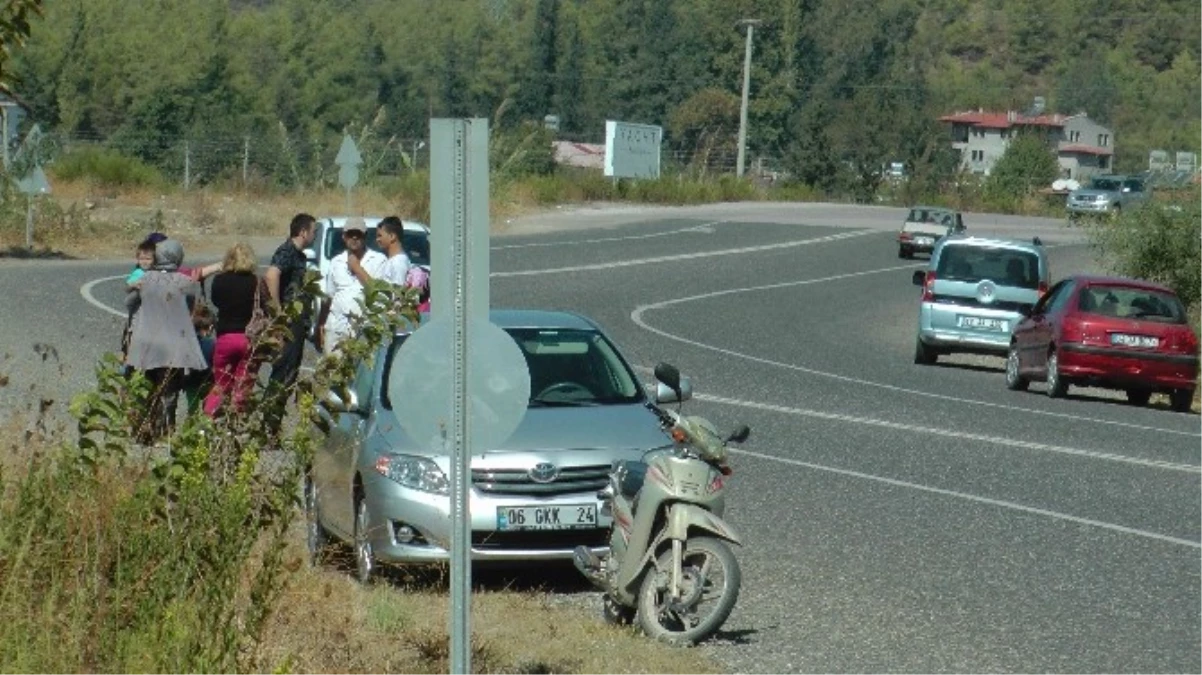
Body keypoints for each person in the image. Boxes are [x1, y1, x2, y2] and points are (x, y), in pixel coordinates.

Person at [124, 239, 209, 444]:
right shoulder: (186, 283)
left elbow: (130, 303)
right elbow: (193, 308)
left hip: (146, 342)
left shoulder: (144, 279)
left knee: (147, 385)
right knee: (170, 388)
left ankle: (145, 427)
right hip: (173, 343)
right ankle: (167, 429)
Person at [203, 242, 267, 418]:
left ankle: (209, 419)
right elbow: (266, 305)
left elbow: (216, 302)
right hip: (248, 338)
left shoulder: (220, 280)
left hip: (225, 337)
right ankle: (236, 422)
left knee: (221, 384)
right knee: (243, 386)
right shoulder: (256, 281)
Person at [317, 218, 386, 355]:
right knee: (333, 371)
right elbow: (329, 296)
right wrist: (321, 323)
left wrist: (356, 267)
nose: (354, 238)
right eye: (350, 234)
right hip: (336, 327)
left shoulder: (378, 260)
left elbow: (378, 293)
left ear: (365, 237)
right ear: (344, 237)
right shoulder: (336, 262)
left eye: (358, 234)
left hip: (363, 329)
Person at [265, 213, 317, 391]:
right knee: (283, 372)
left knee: (290, 372)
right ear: (303, 232)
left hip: (297, 320)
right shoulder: (287, 251)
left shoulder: (298, 255)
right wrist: (278, 313)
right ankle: (270, 415)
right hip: (289, 320)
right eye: (313, 231)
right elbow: (271, 275)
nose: (315, 235)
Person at [366, 216, 412, 286]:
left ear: (392, 236)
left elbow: (398, 293)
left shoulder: (398, 262)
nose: (377, 239)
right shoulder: (392, 260)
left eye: (380, 236)